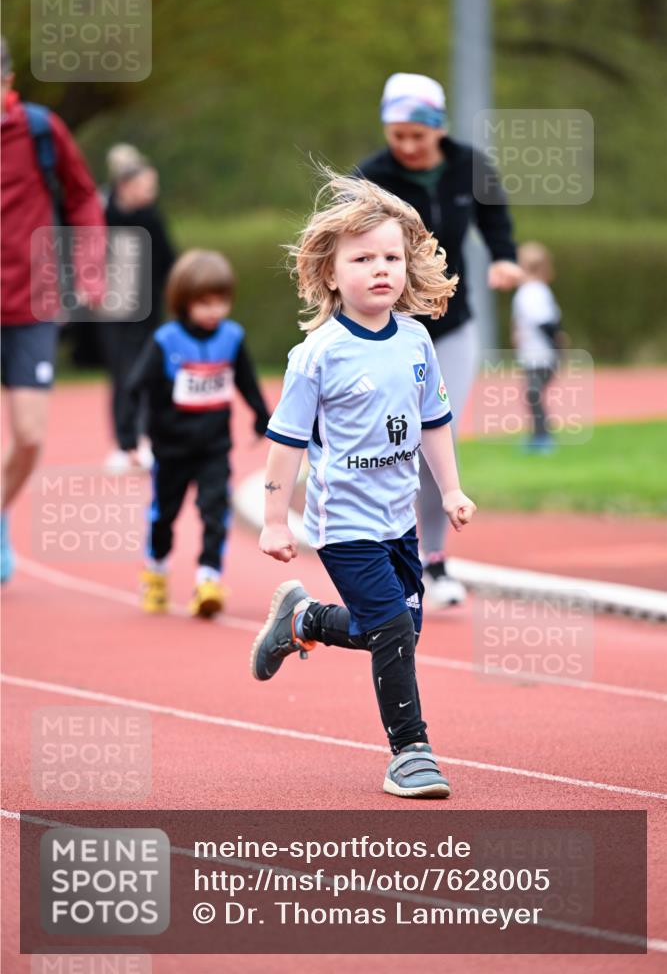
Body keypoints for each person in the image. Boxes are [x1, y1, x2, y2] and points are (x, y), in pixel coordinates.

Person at [251, 172, 476, 798]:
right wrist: (275, 521)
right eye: (363, 259)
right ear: (330, 273)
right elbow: (286, 444)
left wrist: (451, 491)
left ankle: (306, 621)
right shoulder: (316, 354)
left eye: (392, 257)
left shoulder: (416, 340)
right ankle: (411, 753)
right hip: (344, 527)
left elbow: (435, 421)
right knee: (395, 633)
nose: (382, 270)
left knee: (397, 627)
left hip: (398, 521)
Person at [356, 72, 522, 606]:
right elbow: (342, 242)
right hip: (386, 329)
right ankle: (381, 549)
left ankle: (434, 558)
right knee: (388, 443)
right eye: (396, 134)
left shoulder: (471, 166)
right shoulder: (372, 176)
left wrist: (503, 259)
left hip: (451, 325)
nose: (406, 146)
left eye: (417, 136)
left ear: (438, 129)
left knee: (434, 439)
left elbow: (495, 218)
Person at [1, 36, 105, 583]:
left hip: (32, 301)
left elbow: (84, 195)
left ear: (7, 84)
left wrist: (88, 266)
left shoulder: (41, 130)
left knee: (31, 433)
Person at [123, 249, 270, 618]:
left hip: (213, 448)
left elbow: (246, 381)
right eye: (205, 303)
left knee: (215, 511)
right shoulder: (166, 341)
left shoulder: (232, 338)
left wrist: (260, 416)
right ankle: (155, 571)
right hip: (170, 449)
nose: (214, 311)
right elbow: (136, 388)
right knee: (165, 516)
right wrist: (131, 437)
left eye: (221, 301)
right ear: (184, 301)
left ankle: (209, 579)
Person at [98, 144, 176, 472]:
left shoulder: (152, 218)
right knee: (121, 376)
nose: (151, 192)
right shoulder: (102, 215)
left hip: (147, 313)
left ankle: (145, 440)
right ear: (125, 186)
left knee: (146, 374)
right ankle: (122, 441)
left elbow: (170, 263)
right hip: (112, 310)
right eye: (147, 186)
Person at [512, 242, 563, 453]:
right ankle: (540, 435)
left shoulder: (530, 291)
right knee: (533, 395)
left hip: (539, 354)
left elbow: (544, 323)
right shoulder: (538, 290)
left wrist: (556, 348)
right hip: (537, 353)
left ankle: (542, 438)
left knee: (533, 394)